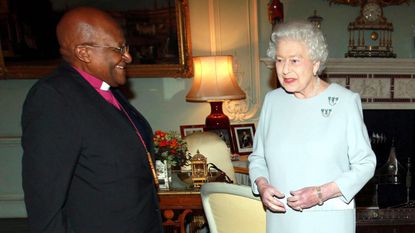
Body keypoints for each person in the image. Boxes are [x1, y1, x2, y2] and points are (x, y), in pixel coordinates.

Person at [21, 7, 163, 233]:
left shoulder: (107, 90)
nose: (128, 57)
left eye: (125, 47)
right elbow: (44, 200)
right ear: (84, 53)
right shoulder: (53, 98)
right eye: (119, 48)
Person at [248, 21, 376, 233]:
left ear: (316, 64)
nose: (285, 69)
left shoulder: (345, 102)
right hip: (281, 220)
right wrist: (262, 185)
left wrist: (320, 193)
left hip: (328, 220)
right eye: (279, 60)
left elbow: (365, 164)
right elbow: (258, 157)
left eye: (294, 60)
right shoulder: (272, 101)